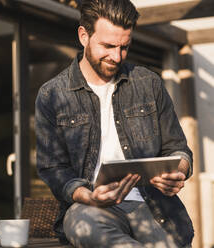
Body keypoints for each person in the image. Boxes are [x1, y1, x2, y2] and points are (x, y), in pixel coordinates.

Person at [34, 0, 194, 247]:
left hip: (154, 208)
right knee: (81, 223)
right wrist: (87, 195)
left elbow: (179, 149)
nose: (116, 56)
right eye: (108, 46)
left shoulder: (148, 83)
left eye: (124, 47)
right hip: (91, 208)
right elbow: (52, 167)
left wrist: (178, 171)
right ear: (83, 36)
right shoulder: (52, 94)